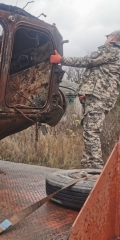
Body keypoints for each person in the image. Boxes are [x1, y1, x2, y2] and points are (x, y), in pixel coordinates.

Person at [50, 30, 120, 169]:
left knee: (91, 130)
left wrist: (61, 60)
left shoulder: (111, 50)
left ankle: (95, 166)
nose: (106, 39)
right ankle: (88, 163)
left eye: (107, 37)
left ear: (112, 38)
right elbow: (99, 75)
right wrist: (86, 93)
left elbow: (87, 61)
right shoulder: (114, 55)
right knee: (89, 127)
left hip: (99, 97)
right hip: (99, 96)